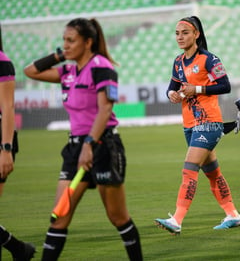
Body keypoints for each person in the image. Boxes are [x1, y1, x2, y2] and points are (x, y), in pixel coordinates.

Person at [24, 18, 143, 260]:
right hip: (74, 148)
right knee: (59, 217)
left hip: (103, 146)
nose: (65, 46)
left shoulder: (102, 67)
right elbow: (30, 71)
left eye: (71, 41)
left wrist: (89, 145)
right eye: (63, 41)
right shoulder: (67, 71)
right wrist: (60, 55)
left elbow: (105, 110)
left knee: (117, 217)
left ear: (88, 42)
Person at [154, 16, 240, 235]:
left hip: (209, 123)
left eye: (185, 32)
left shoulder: (209, 59)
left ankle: (177, 219)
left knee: (189, 169)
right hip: (190, 125)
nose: (180, 37)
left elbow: (225, 85)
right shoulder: (178, 61)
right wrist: (172, 94)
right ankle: (233, 215)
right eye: (177, 33)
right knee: (212, 173)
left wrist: (198, 89)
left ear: (196, 34)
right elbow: (172, 87)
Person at [0, 24, 36, 261]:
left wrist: (6, 149)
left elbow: (8, 107)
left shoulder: (2, 62)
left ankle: (18, 249)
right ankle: (18, 249)